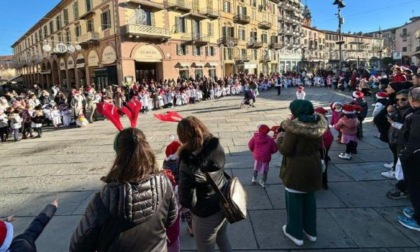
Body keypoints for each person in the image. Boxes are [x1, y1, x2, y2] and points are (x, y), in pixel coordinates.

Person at [69, 127, 178, 251]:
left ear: (118, 154)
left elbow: (78, 246)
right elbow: (171, 219)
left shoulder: (102, 200)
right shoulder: (163, 183)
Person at [277, 99, 328, 246]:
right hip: (313, 165)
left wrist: (280, 138)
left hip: (296, 168)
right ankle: (311, 231)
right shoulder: (318, 125)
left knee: (293, 201)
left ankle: (295, 233)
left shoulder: (294, 129)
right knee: (309, 200)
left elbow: (285, 150)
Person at [177, 116, 232, 252]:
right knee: (222, 237)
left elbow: (187, 200)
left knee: (204, 248)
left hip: (205, 212)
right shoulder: (215, 146)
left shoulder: (188, 163)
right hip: (223, 202)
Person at [397, 87, 420, 231]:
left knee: (416, 186)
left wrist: (405, 154)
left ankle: (418, 219)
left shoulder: (417, 116)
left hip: (415, 156)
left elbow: (415, 138)